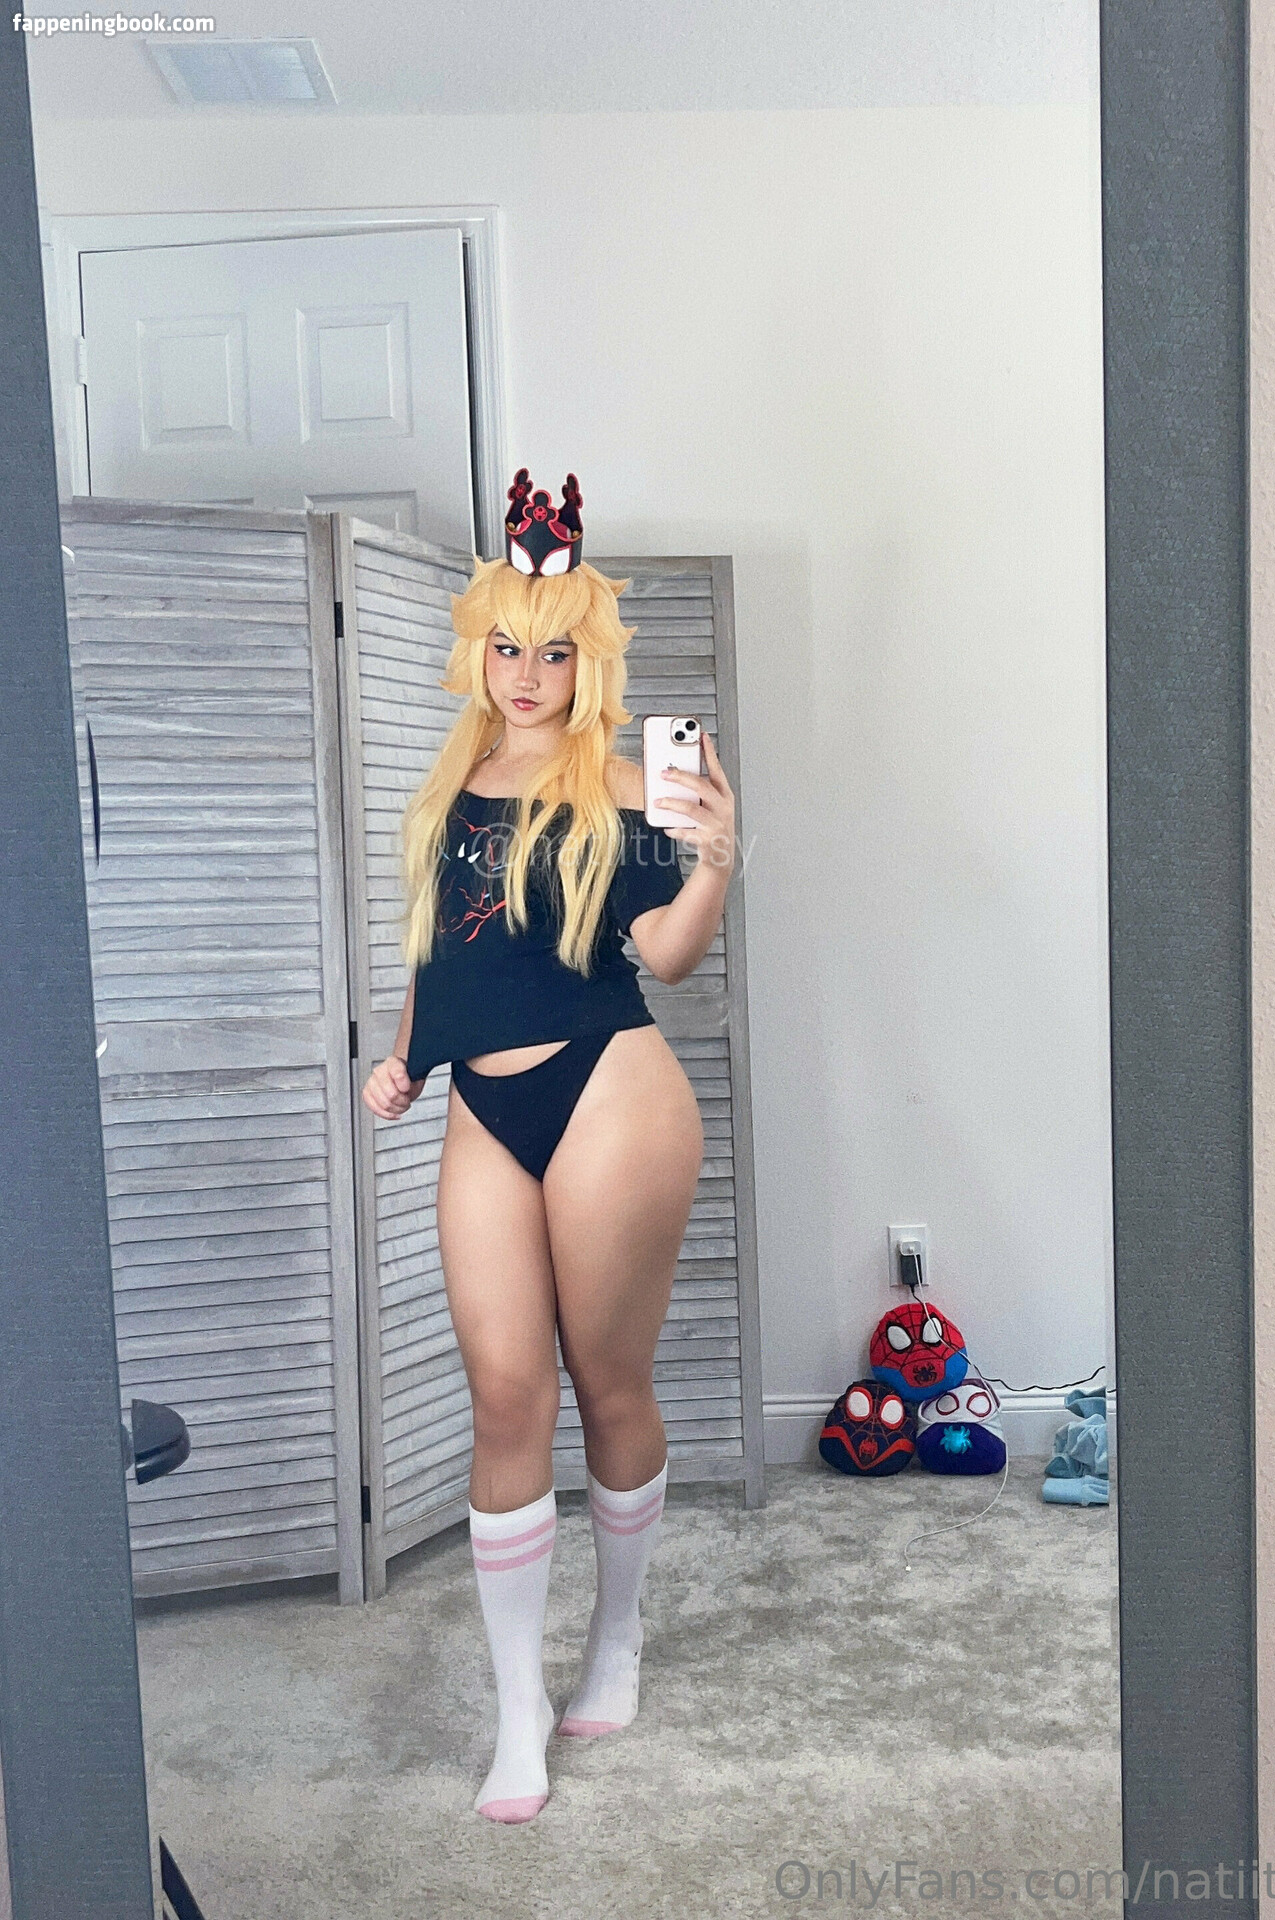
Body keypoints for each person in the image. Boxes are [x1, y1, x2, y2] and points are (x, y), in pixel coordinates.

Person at [360, 470, 736, 1824]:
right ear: (480, 649)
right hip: (482, 1108)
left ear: (591, 663)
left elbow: (668, 959)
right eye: (509, 647)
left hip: (611, 1095)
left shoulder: (634, 782)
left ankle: (616, 1640)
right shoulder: (453, 779)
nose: (527, 675)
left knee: (607, 1380)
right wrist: (407, 1054)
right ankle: (518, 1713)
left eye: (556, 652)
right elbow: (437, 945)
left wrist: (714, 861)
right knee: (507, 1397)